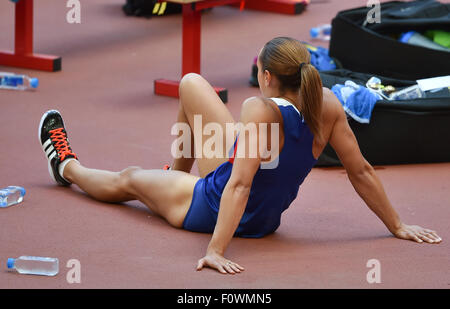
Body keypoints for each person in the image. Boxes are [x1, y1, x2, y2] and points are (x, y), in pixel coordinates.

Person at [38, 37, 442, 275]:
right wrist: (397, 223)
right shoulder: (329, 104)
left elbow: (242, 184)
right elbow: (362, 171)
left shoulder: (259, 110)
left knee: (126, 178)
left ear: (267, 77)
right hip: (255, 208)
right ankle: (172, 175)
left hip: (210, 205)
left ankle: (66, 165)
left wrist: (214, 250)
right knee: (192, 84)